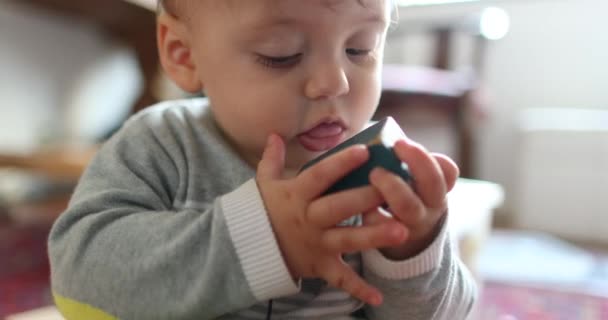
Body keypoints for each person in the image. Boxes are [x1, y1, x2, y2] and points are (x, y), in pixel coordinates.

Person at [48, 0, 476, 319]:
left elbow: (452, 314)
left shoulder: (377, 175)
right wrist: (262, 239)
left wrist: (414, 252)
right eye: (282, 54)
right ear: (183, 53)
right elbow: (79, 273)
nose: (335, 82)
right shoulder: (162, 144)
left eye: (360, 49)